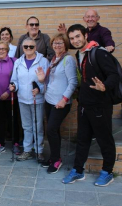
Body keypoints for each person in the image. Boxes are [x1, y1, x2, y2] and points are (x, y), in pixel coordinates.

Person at [62, 24, 119, 187]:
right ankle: (78, 170)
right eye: (72, 38)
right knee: (82, 139)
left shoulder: (99, 53)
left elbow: (113, 75)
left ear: (86, 35)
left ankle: (107, 172)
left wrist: (105, 86)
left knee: (104, 139)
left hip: (100, 105)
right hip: (84, 105)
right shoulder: (79, 54)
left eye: (78, 36)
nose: (75, 40)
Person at [35, 33, 78, 174]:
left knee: (51, 130)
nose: (57, 45)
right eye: (55, 43)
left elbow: (73, 82)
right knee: (54, 130)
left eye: (60, 43)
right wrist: (42, 79)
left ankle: (56, 159)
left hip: (60, 102)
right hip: (49, 99)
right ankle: (54, 157)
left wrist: (64, 100)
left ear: (65, 44)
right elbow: (52, 81)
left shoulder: (68, 60)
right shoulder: (54, 59)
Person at [10, 37, 49, 162]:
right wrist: (13, 86)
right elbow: (14, 79)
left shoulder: (43, 61)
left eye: (31, 47)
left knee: (37, 126)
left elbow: (48, 80)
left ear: (35, 48)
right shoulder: (18, 62)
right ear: (22, 48)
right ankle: (27, 150)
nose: (28, 49)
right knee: (26, 126)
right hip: (22, 98)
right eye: (25, 47)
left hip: (36, 98)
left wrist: (40, 89)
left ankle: (39, 151)